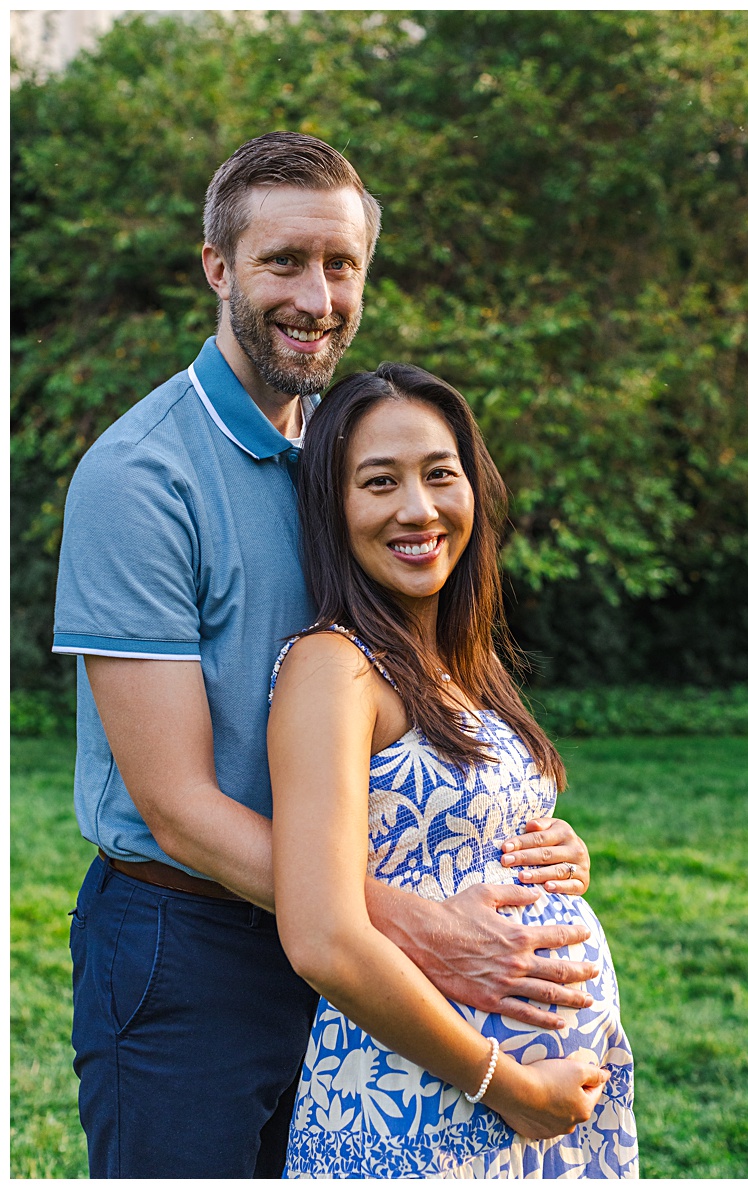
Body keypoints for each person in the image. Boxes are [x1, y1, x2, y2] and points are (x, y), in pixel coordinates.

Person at [53, 132, 598, 1178]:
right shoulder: (141, 475)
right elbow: (176, 804)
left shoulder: (347, 461)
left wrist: (519, 846)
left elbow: (410, 694)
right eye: (283, 261)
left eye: (340, 265)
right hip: (191, 943)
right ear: (218, 268)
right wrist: (400, 924)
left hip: (348, 959)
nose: (317, 294)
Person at [269, 364, 637, 1177]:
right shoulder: (335, 668)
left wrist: (554, 856)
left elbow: (447, 833)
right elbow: (323, 938)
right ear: (334, 509)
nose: (418, 507)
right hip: (419, 1102)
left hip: (534, 1108)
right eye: (379, 482)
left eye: (440, 474)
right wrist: (504, 1083)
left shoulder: (457, 660)